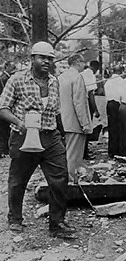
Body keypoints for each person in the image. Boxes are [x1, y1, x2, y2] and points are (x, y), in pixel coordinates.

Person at [0, 41, 76, 238]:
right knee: (18, 180)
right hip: (23, 136)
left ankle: (57, 223)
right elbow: (3, 108)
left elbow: (57, 111)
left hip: (50, 137)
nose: (47, 62)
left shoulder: (54, 81)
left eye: (50, 58)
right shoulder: (17, 80)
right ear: (32, 59)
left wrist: (62, 134)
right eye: (42, 58)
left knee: (60, 178)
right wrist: (20, 122)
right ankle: (15, 219)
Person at [58, 54, 93, 181]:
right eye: (83, 62)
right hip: (75, 123)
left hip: (63, 121)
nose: (84, 65)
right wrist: (85, 124)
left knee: (66, 153)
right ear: (77, 62)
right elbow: (79, 103)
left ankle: (67, 179)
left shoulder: (61, 77)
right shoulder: (77, 77)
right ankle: (70, 181)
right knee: (74, 156)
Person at [80, 60, 101, 160]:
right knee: (87, 128)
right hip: (87, 103)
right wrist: (95, 109)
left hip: (80, 102)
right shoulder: (91, 75)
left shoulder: (82, 73)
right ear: (96, 68)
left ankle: (83, 151)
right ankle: (84, 153)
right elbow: (90, 94)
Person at [104, 65, 124, 158]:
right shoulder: (121, 81)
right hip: (117, 105)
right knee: (119, 128)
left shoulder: (108, 81)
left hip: (109, 104)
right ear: (120, 71)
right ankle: (117, 150)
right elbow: (122, 94)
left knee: (111, 127)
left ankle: (111, 151)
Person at [0, 61, 16, 157]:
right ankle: (3, 150)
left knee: (5, 130)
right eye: (12, 67)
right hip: (4, 107)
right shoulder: (4, 78)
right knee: (3, 130)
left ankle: (4, 149)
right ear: (6, 67)